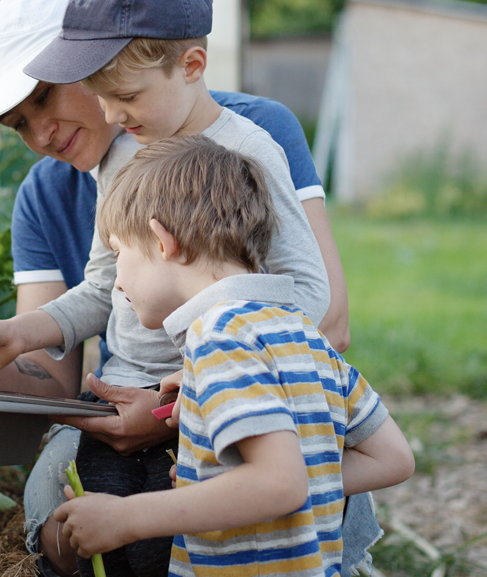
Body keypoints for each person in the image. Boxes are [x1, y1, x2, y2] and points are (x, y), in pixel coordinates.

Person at [0, 0, 363, 577]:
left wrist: (180, 395)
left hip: (220, 398)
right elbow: (104, 288)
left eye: (46, 97)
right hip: (122, 400)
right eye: (17, 124)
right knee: (87, 527)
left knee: (173, 537)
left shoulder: (250, 142)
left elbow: (318, 303)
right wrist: (21, 334)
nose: (41, 134)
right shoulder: (119, 159)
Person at [52, 135, 415, 577]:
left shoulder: (218, 337)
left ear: (160, 240)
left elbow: (279, 484)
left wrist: (126, 518)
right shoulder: (301, 333)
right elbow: (393, 457)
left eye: (118, 254)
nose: (118, 283)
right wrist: (228, 488)